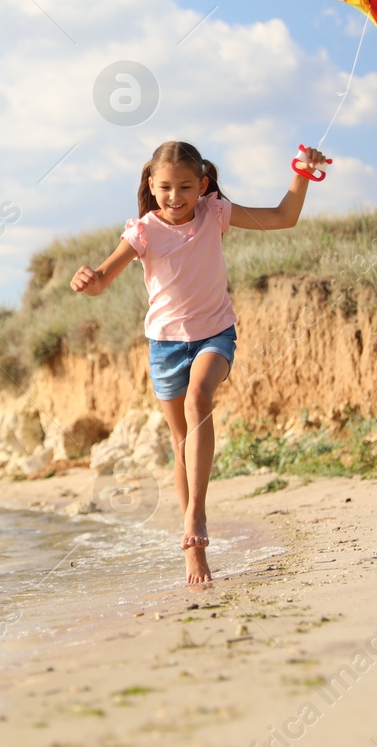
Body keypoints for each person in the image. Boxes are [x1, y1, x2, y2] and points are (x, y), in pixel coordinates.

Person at [70, 140, 329, 587]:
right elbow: (102, 282)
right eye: (165, 187)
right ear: (151, 186)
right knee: (179, 441)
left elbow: (284, 217)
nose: (175, 196)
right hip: (166, 346)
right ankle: (194, 557)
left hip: (214, 335)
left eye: (185, 187)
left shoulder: (215, 213)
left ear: (203, 184)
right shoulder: (143, 231)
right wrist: (88, 280)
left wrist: (302, 172)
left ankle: (197, 517)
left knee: (198, 400)